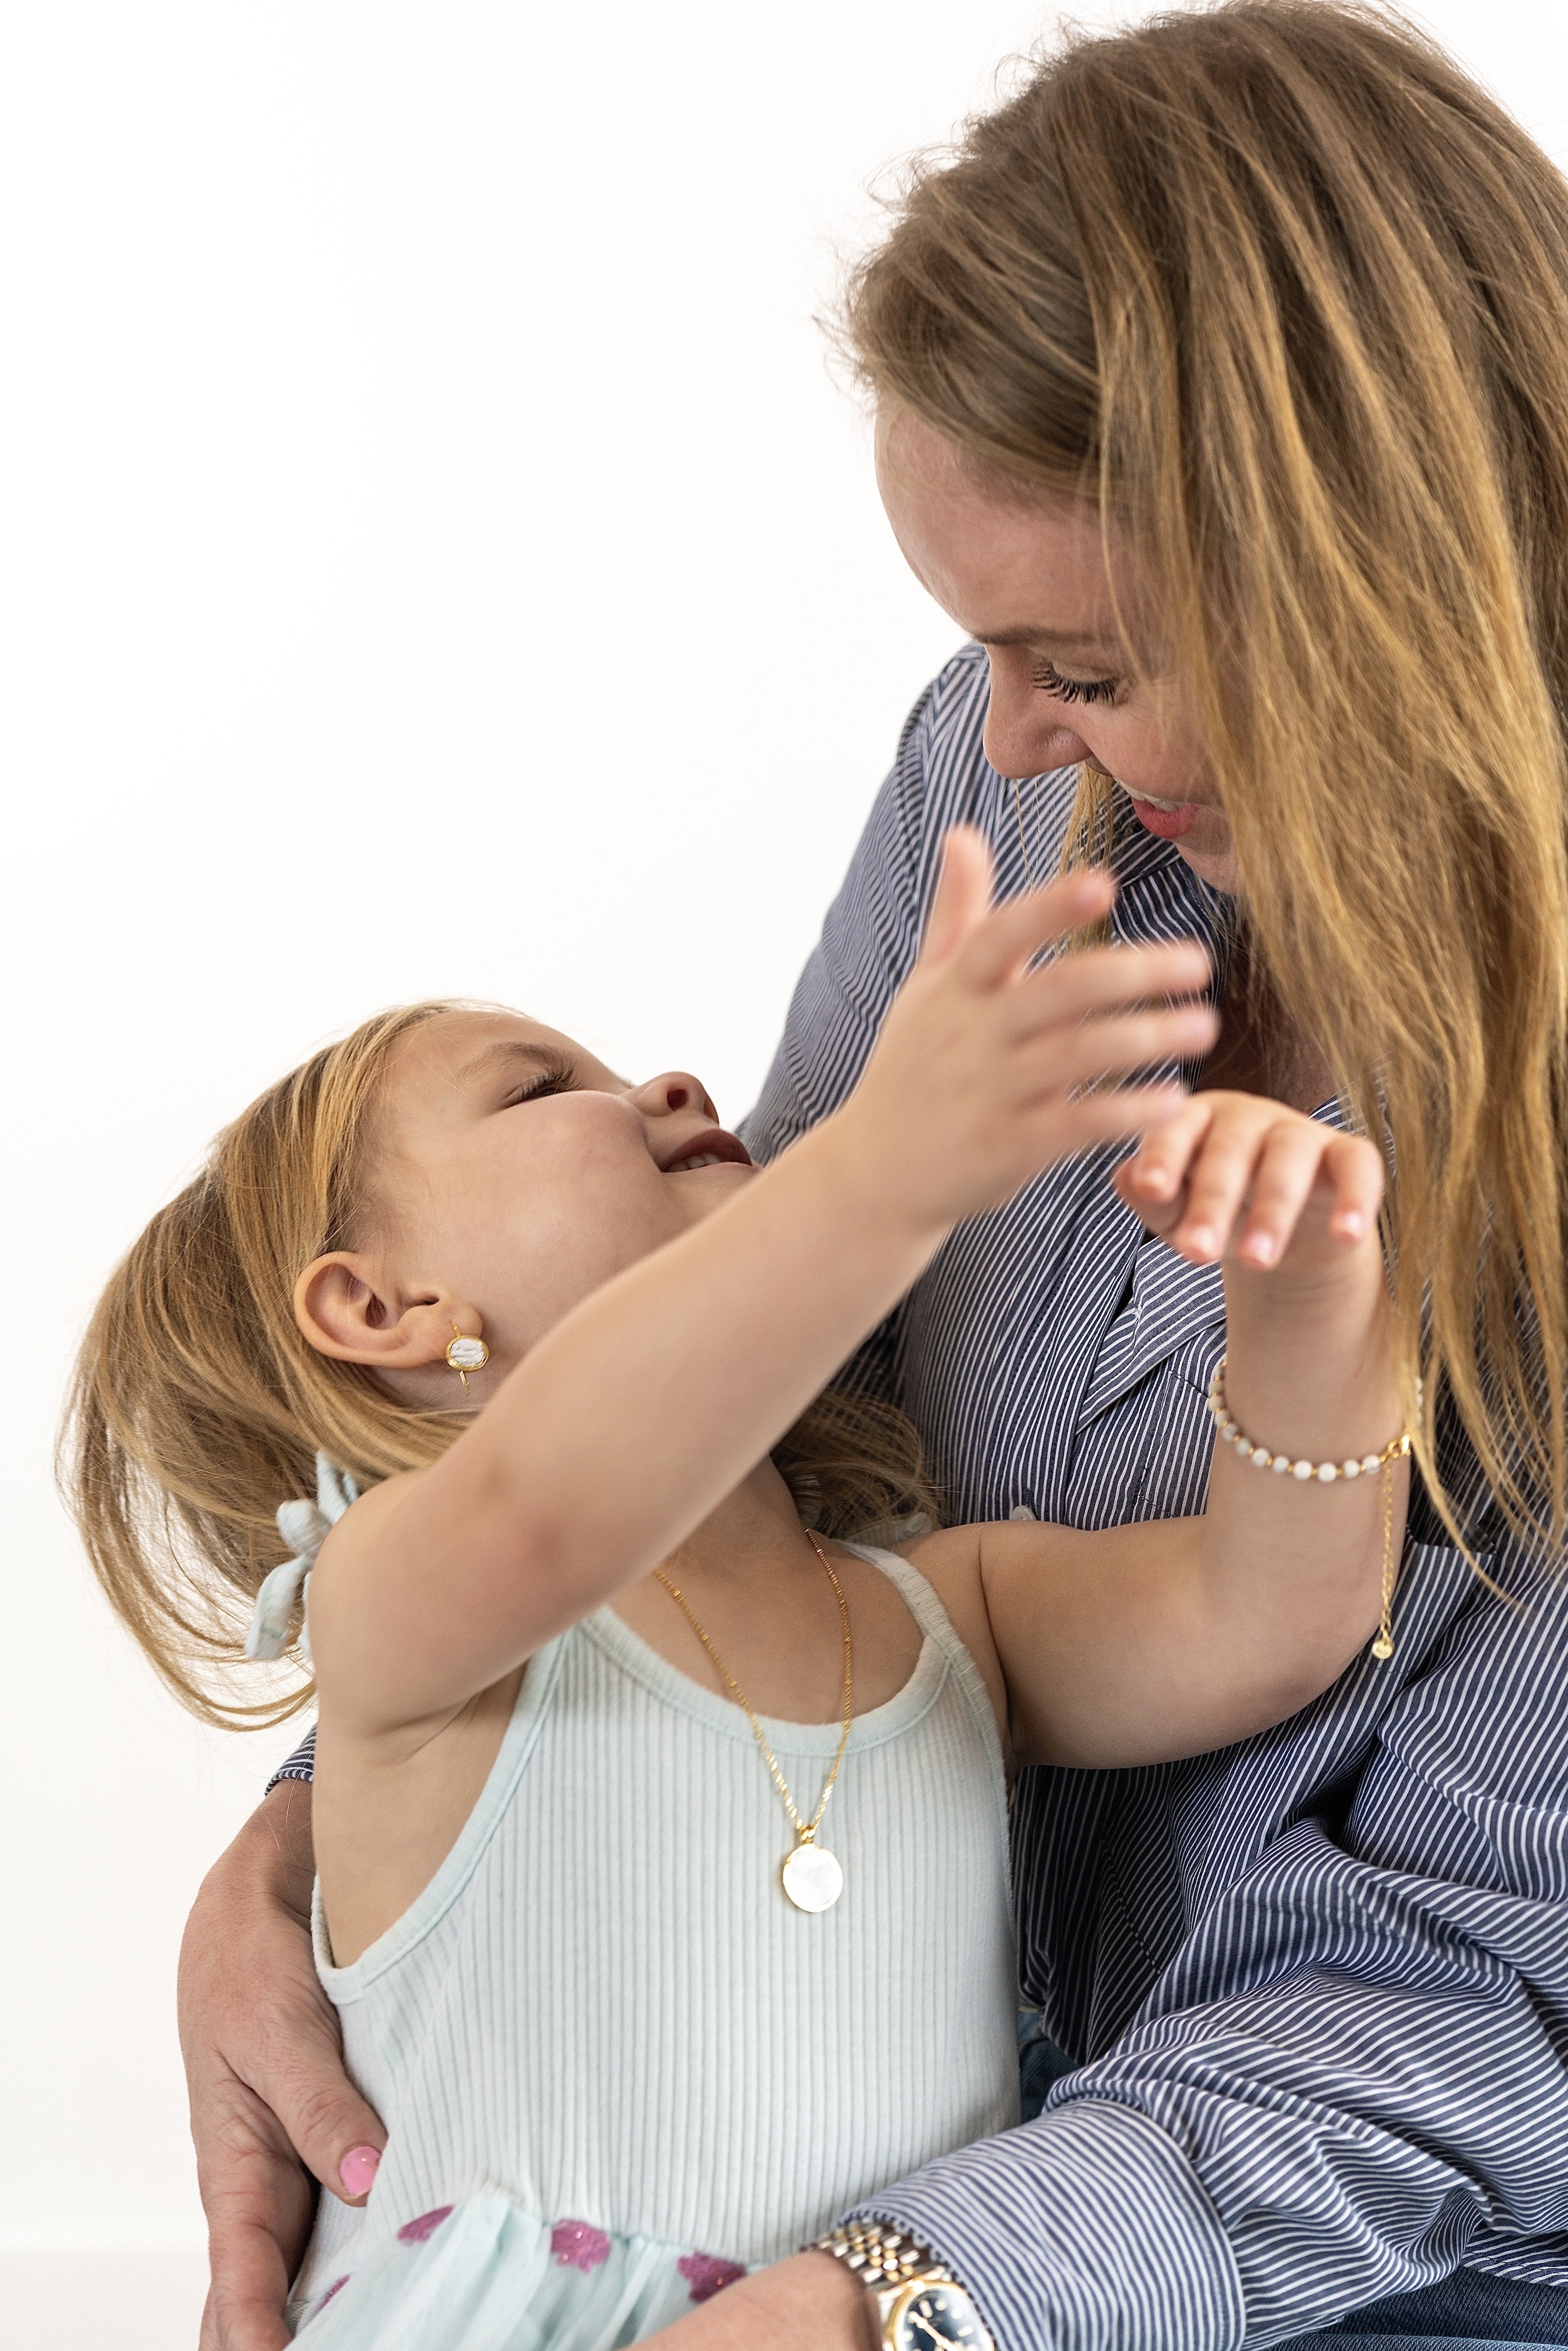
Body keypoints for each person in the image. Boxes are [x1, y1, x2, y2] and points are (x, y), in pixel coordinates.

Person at [169, 4, 1568, 2348]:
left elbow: (1456, 1969)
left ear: (1370, 589)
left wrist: (898, 2298)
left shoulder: (987, 1630)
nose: (1010, 739)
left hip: (1335, 2253)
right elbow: (745, 1420)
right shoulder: (1024, 798)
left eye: (1089, 664)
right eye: (983, 656)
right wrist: (356, 1808)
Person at [70, 833, 1410, 2347]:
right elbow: (548, 1506)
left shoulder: (945, 1615)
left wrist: (1309, 1305)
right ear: (381, 1312)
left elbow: (1268, 1625)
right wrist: (882, 1171)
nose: (673, 1086)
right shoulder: (402, 1608)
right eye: (539, 1088)